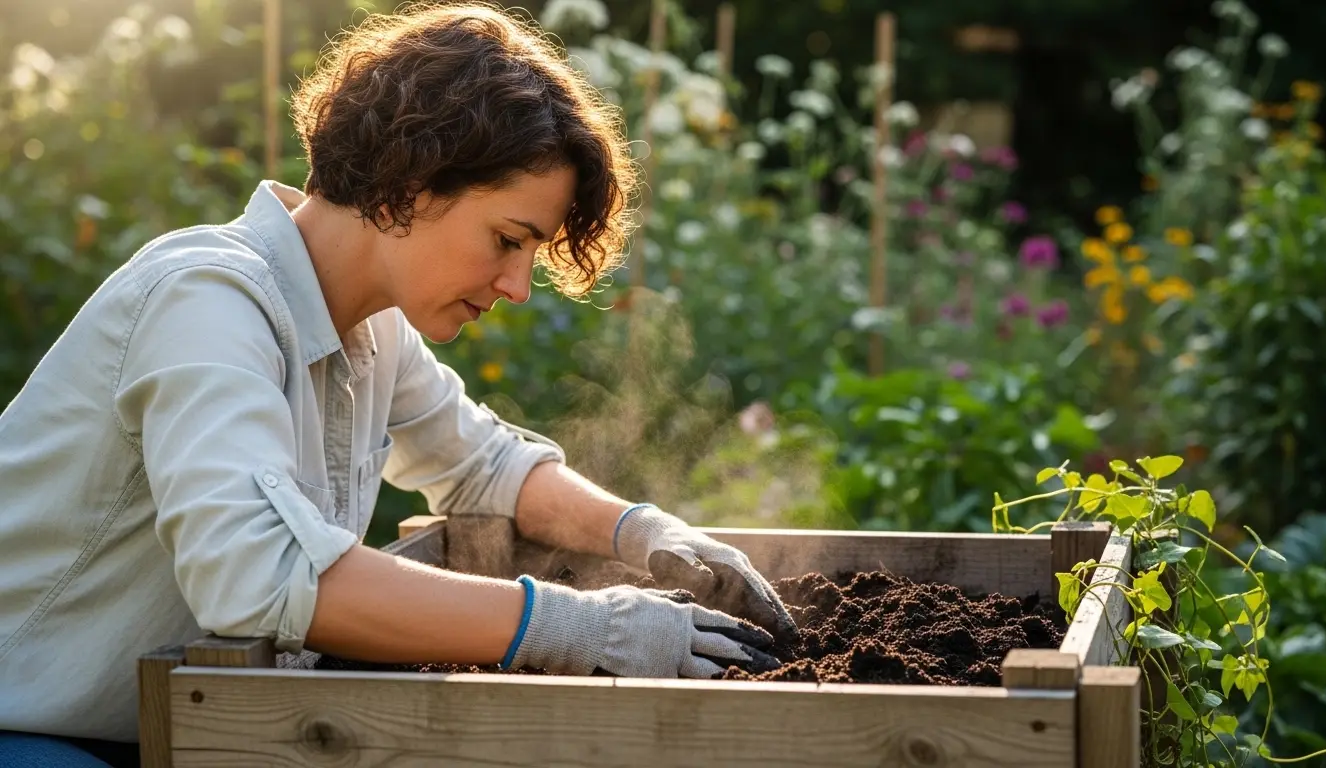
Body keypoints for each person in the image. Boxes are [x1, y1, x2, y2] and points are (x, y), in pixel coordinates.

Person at [0, 3, 797, 765]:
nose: (520, 286)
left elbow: (483, 467)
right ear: (408, 184)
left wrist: (648, 533)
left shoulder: (371, 327)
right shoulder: (208, 300)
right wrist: (576, 624)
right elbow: (261, 578)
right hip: (27, 724)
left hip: (166, 724)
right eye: (507, 239)